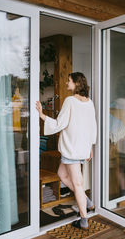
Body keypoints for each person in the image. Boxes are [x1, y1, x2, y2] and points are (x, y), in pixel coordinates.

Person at [36, 72, 97, 230]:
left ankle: (84, 219)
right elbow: (93, 126)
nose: (66, 83)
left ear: (76, 84)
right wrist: (90, 147)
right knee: (61, 175)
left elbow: (59, 124)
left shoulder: (70, 101)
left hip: (72, 148)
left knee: (77, 184)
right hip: (81, 147)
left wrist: (42, 115)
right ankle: (87, 201)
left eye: (68, 81)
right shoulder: (89, 102)